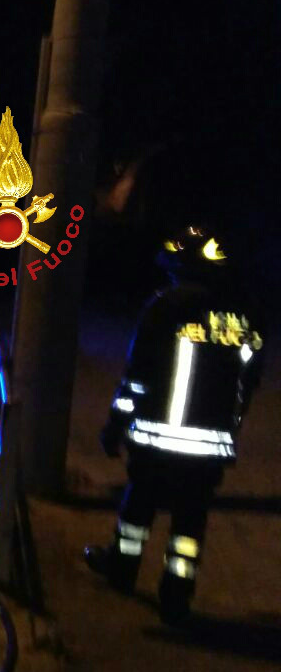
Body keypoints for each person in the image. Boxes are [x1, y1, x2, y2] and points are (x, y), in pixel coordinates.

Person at [84, 225, 265, 624]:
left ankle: (122, 570)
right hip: (210, 448)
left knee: (139, 506)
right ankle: (177, 593)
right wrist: (230, 429)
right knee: (191, 519)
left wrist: (115, 426)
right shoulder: (244, 317)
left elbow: (136, 378)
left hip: (157, 439)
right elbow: (248, 381)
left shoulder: (164, 308)